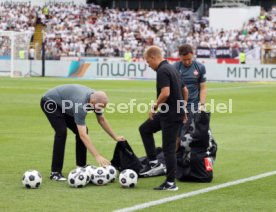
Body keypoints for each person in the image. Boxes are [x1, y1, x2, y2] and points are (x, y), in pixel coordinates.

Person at [40, 84, 124, 181]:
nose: (99, 110)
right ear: (92, 103)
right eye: (98, 108)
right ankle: (55, 172)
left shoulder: (96, 99)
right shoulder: (81, 106)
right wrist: (97, 155)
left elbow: (101, 120)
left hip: (65, 104)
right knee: (61, 132)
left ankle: (81, 166)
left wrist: (115, 137)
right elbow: (82, 135)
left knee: (84, 130)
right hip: (50, 102)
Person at [139, 46, 188, 191]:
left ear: (154, 57)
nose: (148, 65)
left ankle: (170, 183)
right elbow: (185, 90)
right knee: (145, 129)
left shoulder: (162, 70)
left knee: (168, 148)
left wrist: (154, 106)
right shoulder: (173, 68)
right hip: (171, 112)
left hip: (170, 115)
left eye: (148, 62)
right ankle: (154, 163)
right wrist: (182, 107)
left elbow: (165, 93)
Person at [173, 44, 207, 150]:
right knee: (176, 136)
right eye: (184, 60)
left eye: (189, 59)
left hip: (194, 106)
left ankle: (191, 160)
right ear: (180, 57)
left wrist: (202, 104)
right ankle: (175, 161)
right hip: (179, 106)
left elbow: (203, 88)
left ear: (192, 55)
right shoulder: (175, 67)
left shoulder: (200, 67)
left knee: (193, 135)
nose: (187, 62)